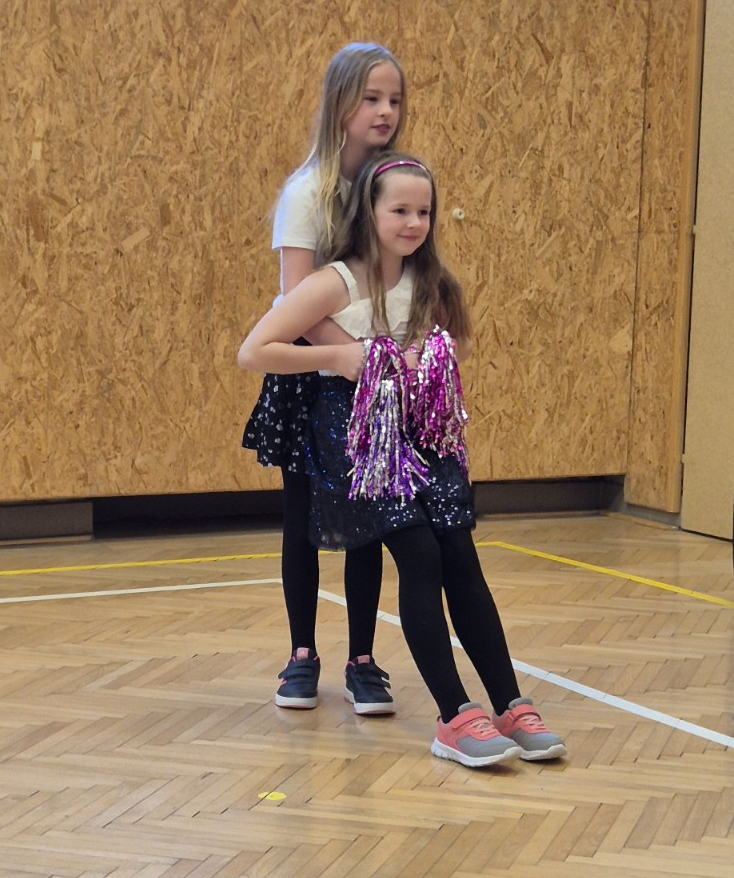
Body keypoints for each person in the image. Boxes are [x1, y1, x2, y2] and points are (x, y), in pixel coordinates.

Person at [238, 153, 567, 768]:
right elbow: (255, 350)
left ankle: (509, 703)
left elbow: (457, 345)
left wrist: (429, 358)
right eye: (399, 210)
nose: (413, 222)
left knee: (459, 554)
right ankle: (454, 716)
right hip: (360, 437)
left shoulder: (432, 281)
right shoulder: (335, 281)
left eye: (424, 211)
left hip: (423, 433)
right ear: (369, 212)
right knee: (419, 554)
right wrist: (337, 357)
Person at [242, 43, 407, 715]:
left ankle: (362, 658)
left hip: (368, 374)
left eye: (393, 100)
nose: (384, 111)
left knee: (366, 515)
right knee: (303, 515)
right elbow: (295, 302)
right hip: (315, 374)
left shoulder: (390, 185)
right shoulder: (307, 192)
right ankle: (301, 653)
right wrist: (351, 357)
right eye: (371, 98)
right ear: (340, 103)